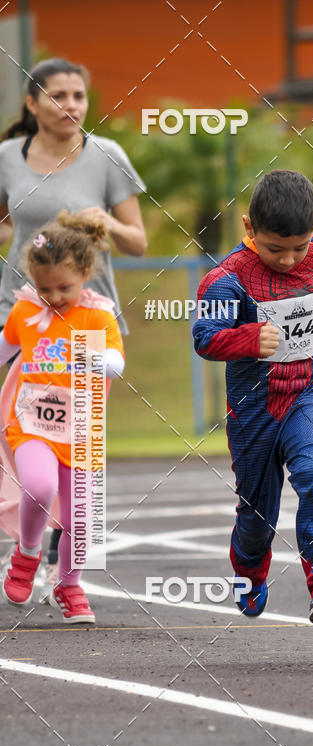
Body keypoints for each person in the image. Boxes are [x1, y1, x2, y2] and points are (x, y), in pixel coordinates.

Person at [0, 57, 146, 580]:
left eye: (79, 96)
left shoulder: (107, 156)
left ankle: (68, 560)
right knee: (24, 423)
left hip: (89, 320)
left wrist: (104, 220)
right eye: (58, 95)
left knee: (75, 438)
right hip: (22, 310)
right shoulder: (7, 159)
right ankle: (29, 535)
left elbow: (138, 242)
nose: (71, 106)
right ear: (32, 103)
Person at [192, 170, 313, 628]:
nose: (288, 258)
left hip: (304, 392)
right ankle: (248, 575)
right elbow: (205, 338)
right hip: (253, 409)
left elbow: (306, 307)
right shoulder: (225, 280)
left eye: (298, 247)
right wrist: (246, 338)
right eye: (274, 248)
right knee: (258, 516)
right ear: (248, 227)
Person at [0, 212, 125, 623]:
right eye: (45, 287)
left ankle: (69, 585)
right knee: (38, 484)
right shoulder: (25, 312)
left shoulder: (97, 317)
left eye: (64, 288)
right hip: (33, 424)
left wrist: (98, 360)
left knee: (80, 517)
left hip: (81, 431)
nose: (53, 296)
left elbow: (115, 361)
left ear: (85, 274)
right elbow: (4, 348)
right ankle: (28, 552)